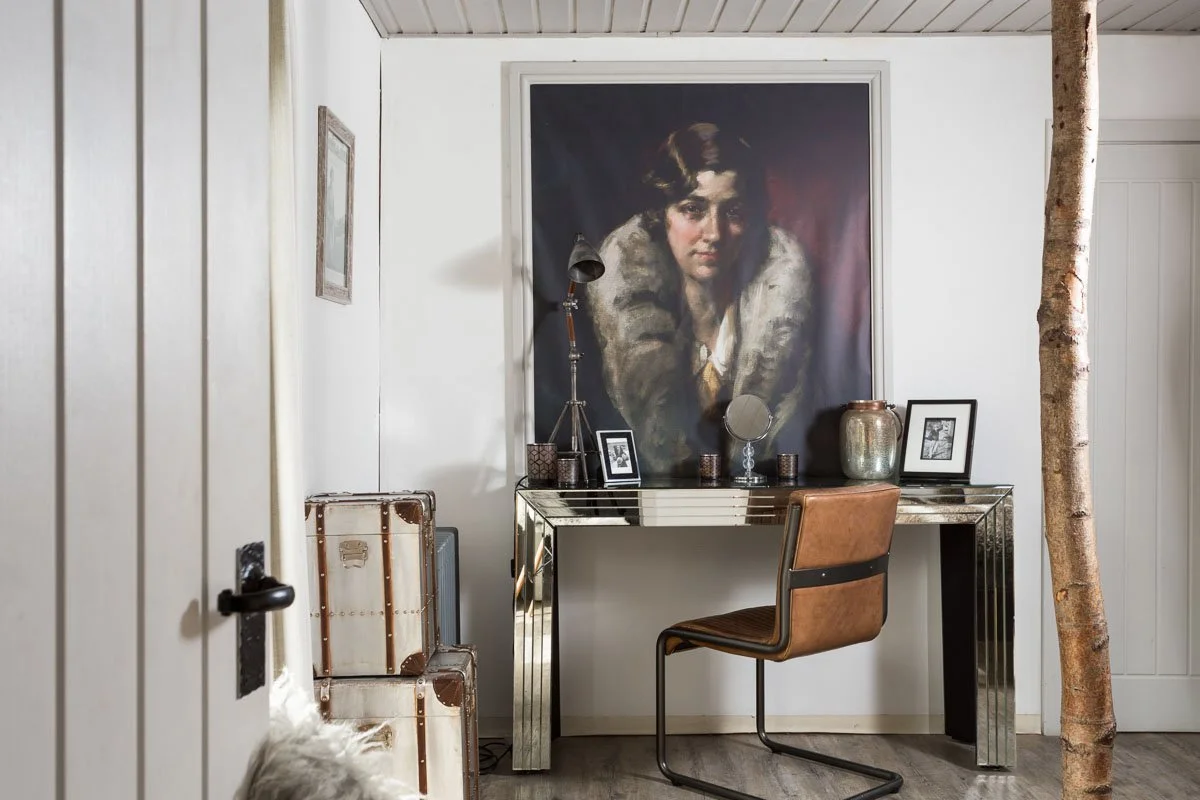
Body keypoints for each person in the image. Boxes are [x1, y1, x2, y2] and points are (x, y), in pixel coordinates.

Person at [587, 122, 813, 475]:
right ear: (662, 217)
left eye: (733, 212)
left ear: (751, 220)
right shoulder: (629, 326)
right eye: (693, 209)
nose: (714, 233)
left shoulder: (783, 327)